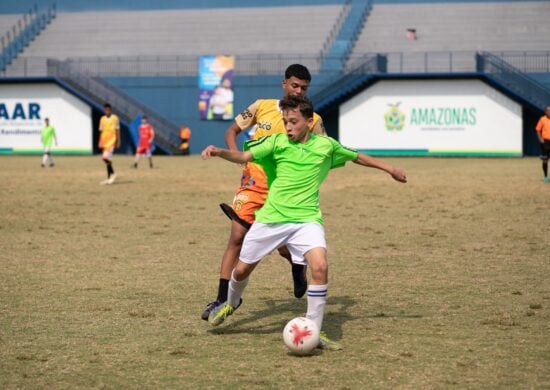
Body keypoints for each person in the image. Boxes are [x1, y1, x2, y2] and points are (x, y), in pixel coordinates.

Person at [201, 95, 407, 350]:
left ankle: (314, 330)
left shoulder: (326, 146)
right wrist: (219, 152)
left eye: (293, 122)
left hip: (306, 221)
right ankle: (231, 302)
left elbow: (357, 157)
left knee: (320, 267)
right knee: (241, 271)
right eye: (285, 121)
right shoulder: (276, 142)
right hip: (271, 219)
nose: (287, 127)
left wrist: (390, 169)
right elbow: (244, 157)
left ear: (309, 122)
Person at [200, 64, 326, 321]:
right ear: (284, 84)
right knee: (236, 237)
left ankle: (296, 263)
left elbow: (323, 150)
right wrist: (236, 156)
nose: (298, 90)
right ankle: (222, 299)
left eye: (303, 87)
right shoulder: (261, 106)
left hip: (285, 190)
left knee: (282, 247)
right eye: (294, 85)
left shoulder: (312, 119)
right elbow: (231, 130)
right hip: (253, 183)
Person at [98, 103, 120, 185]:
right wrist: (100, 141)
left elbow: (117, 130)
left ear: (110, 110)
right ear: (104, 111)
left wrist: (118, 141)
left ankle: (113, 174)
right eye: (105, 110)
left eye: (108, 110)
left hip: (111, 141)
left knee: (104, 158)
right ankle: (109, 178)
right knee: (108, 160)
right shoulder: (102, 119)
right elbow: (101, 130)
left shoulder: (115, 118)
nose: (107, 111)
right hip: (105, 142)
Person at [535, 105, 550, 183]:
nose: (549, 112)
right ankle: (545, 176)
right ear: (545, 112)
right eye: (548, 110)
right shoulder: (542, 119)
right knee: (545, 160)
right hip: (545, 142)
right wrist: (541, 139)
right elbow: (537, 130)